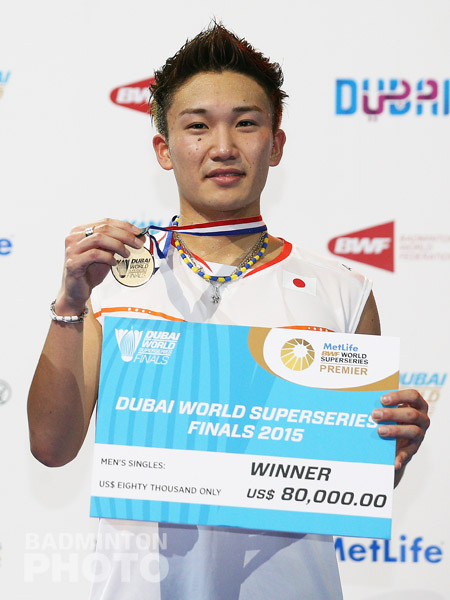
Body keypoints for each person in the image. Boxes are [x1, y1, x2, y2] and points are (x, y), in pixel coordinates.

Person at [28, 23, 429, 600]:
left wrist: (385, 455)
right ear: (164, 149)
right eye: (197, 126)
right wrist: (70, 302)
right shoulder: (108, 280)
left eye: (245, 123)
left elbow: (356, 480)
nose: (222, 146)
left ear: (276, 143)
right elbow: (51, 446)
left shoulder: (343, 289)